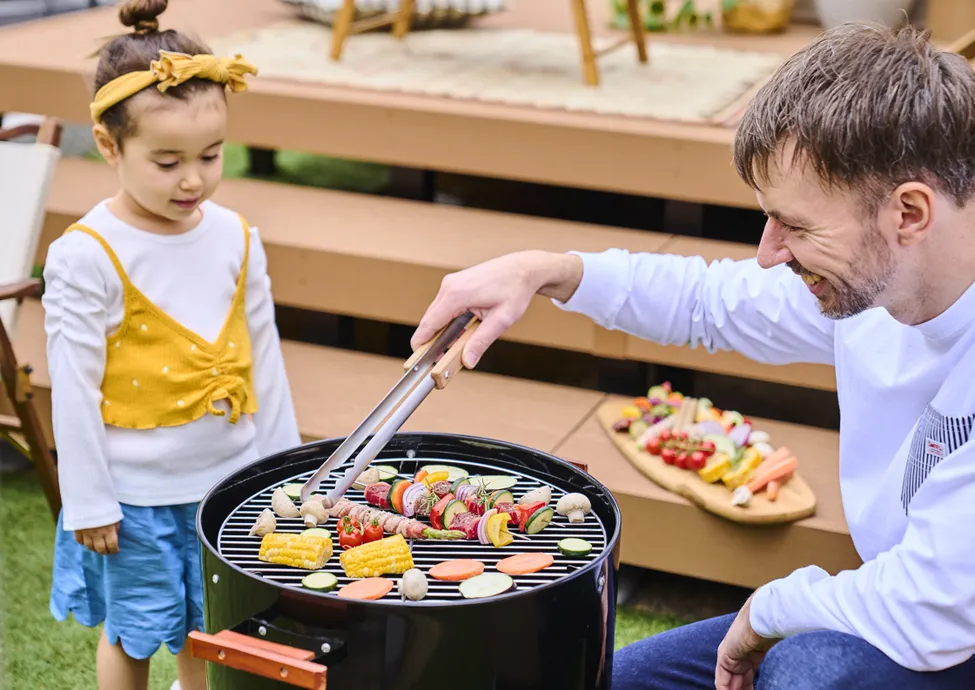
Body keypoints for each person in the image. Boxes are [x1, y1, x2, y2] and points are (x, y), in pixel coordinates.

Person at [410, 21, 975, 690]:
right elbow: (712, 301)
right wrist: (547, 271)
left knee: (807, 673)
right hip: (906, 600)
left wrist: (765, 611)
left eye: (794, 225)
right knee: (609, 681)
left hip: (943, 628)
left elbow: (932, 611)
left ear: (907, 213)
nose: (769, 252)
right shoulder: (879, 283)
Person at [44, 1, 301, 689]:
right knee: (134, 631)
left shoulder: (236, 236)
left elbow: (264, 360)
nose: (193, 179)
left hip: (226, 482)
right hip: (132, 495)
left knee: (210, 627)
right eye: (166, 161)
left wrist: (280, 470)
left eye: (211, 156)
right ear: (108, 145)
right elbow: (71, 382)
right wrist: (91, 498)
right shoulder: (87, 255)